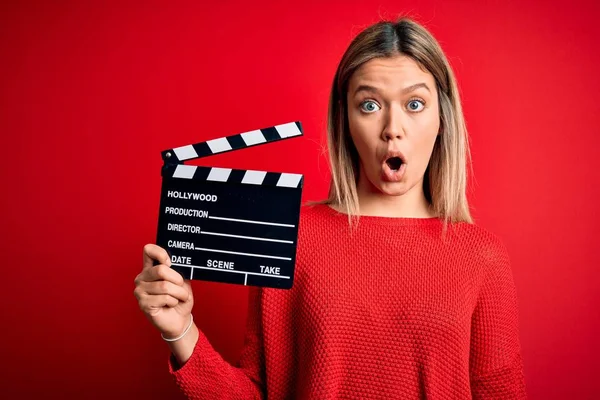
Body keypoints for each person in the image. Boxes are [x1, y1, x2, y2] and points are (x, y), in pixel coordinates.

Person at [134, 17, 527, 399]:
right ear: (345, 121)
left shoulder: (481, 257)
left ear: (442, 118)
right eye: (370, 105)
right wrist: (181, 330)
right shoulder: (292, 238)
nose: (393, 127)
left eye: (415, 103)